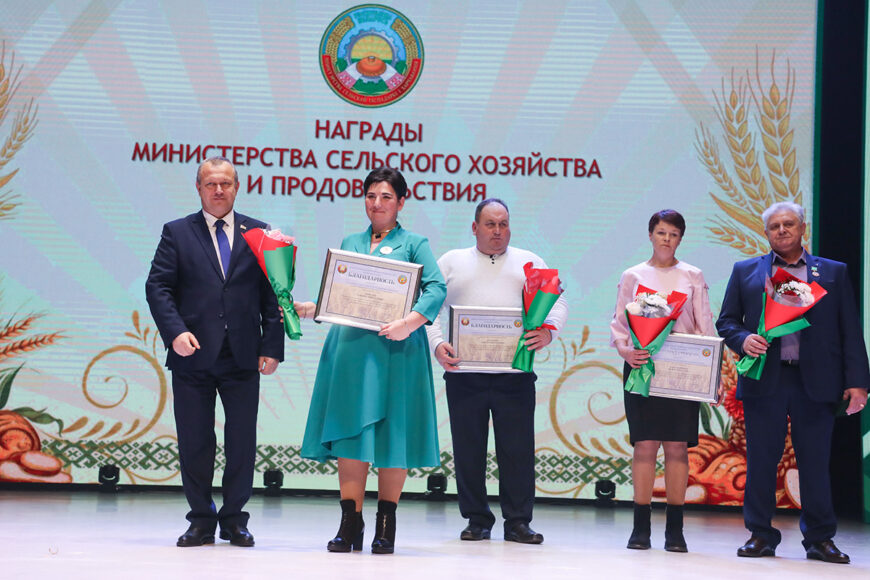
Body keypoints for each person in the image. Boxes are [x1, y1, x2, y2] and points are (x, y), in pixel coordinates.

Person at [295, 167, 446, 554]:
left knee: (393, 433)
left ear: (401, 202)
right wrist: (311, 308)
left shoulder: (415, 243)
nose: (377, 204)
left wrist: (409, 323)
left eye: (386, 197)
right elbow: (339, 293)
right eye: (371, 196)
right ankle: (350, 522)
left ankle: (386, 524)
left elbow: (436, 288)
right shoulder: (351, 241)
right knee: (350, 434)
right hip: (351, 352)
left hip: (397, 351)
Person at [716, 201, 869, 564]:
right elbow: (726, 322)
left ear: (803, 228)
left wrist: (858, 381)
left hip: (816, 381)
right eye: (774, 226)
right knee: (761, 461)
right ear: (765, 233)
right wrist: (743, 340)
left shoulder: (832, 272)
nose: (782, 230)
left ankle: (819, 539)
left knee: (814, 463)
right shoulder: (746, 271)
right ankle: (760, 535)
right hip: (765, 378)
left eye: (789, 224)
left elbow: (850, 328)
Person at [145, 156, 284, 548]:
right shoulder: (176, 232)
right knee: (195, 441)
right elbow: (158, 287)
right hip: (192, 354)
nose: (218, 190)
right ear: (199, 188)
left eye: (226, 183)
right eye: (211, 184)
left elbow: (273, 293)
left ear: (237, 187)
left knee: (241, 442)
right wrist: (175, 332)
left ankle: (235, 520)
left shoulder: (259, 232)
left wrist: (272, 345)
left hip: (243, 354)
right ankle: (201, 520)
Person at [426, 198, 568, 545]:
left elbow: (559, 301)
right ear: (475, 227)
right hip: (464, 373)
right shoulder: (451, 262)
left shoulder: (530, 262)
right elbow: (429, 307)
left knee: (517, 451)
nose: (498, 231)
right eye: (490, 224)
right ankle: (476, 519)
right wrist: (437, 344)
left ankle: (518, 521)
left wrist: (549, 331)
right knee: (468, 450)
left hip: (514, 375)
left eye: (503, 224)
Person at [609, 209, 716, 552]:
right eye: (661, 232)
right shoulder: (633, 275)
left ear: (680, 239)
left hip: (683, 370)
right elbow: (620, 324)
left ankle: (675, 530)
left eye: (673, 234)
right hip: (642, 366)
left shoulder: (692, 275)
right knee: (644, 445)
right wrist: (626, 352)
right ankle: (640, 528)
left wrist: (710, 372)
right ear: (650, 235)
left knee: (676, 447)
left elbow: (704, 325)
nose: (666, 239)